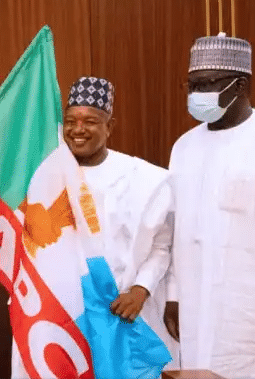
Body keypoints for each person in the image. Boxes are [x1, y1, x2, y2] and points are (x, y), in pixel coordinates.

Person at [62, 77, 179, 365]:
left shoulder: (143, 178)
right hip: (68, 313)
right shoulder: (47, 180)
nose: (78, 130)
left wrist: (141, 290)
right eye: (70, 121)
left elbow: (161, 247)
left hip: (125, 311)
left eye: (90, 121)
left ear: (109, 126)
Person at [165, 34, 254, 377]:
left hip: (244, 303)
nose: (196, 96)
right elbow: (173, 227)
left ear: (240, 85)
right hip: (193, 299)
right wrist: (173, 294)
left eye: (206, 85)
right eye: (191, 86)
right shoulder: (184, 147)